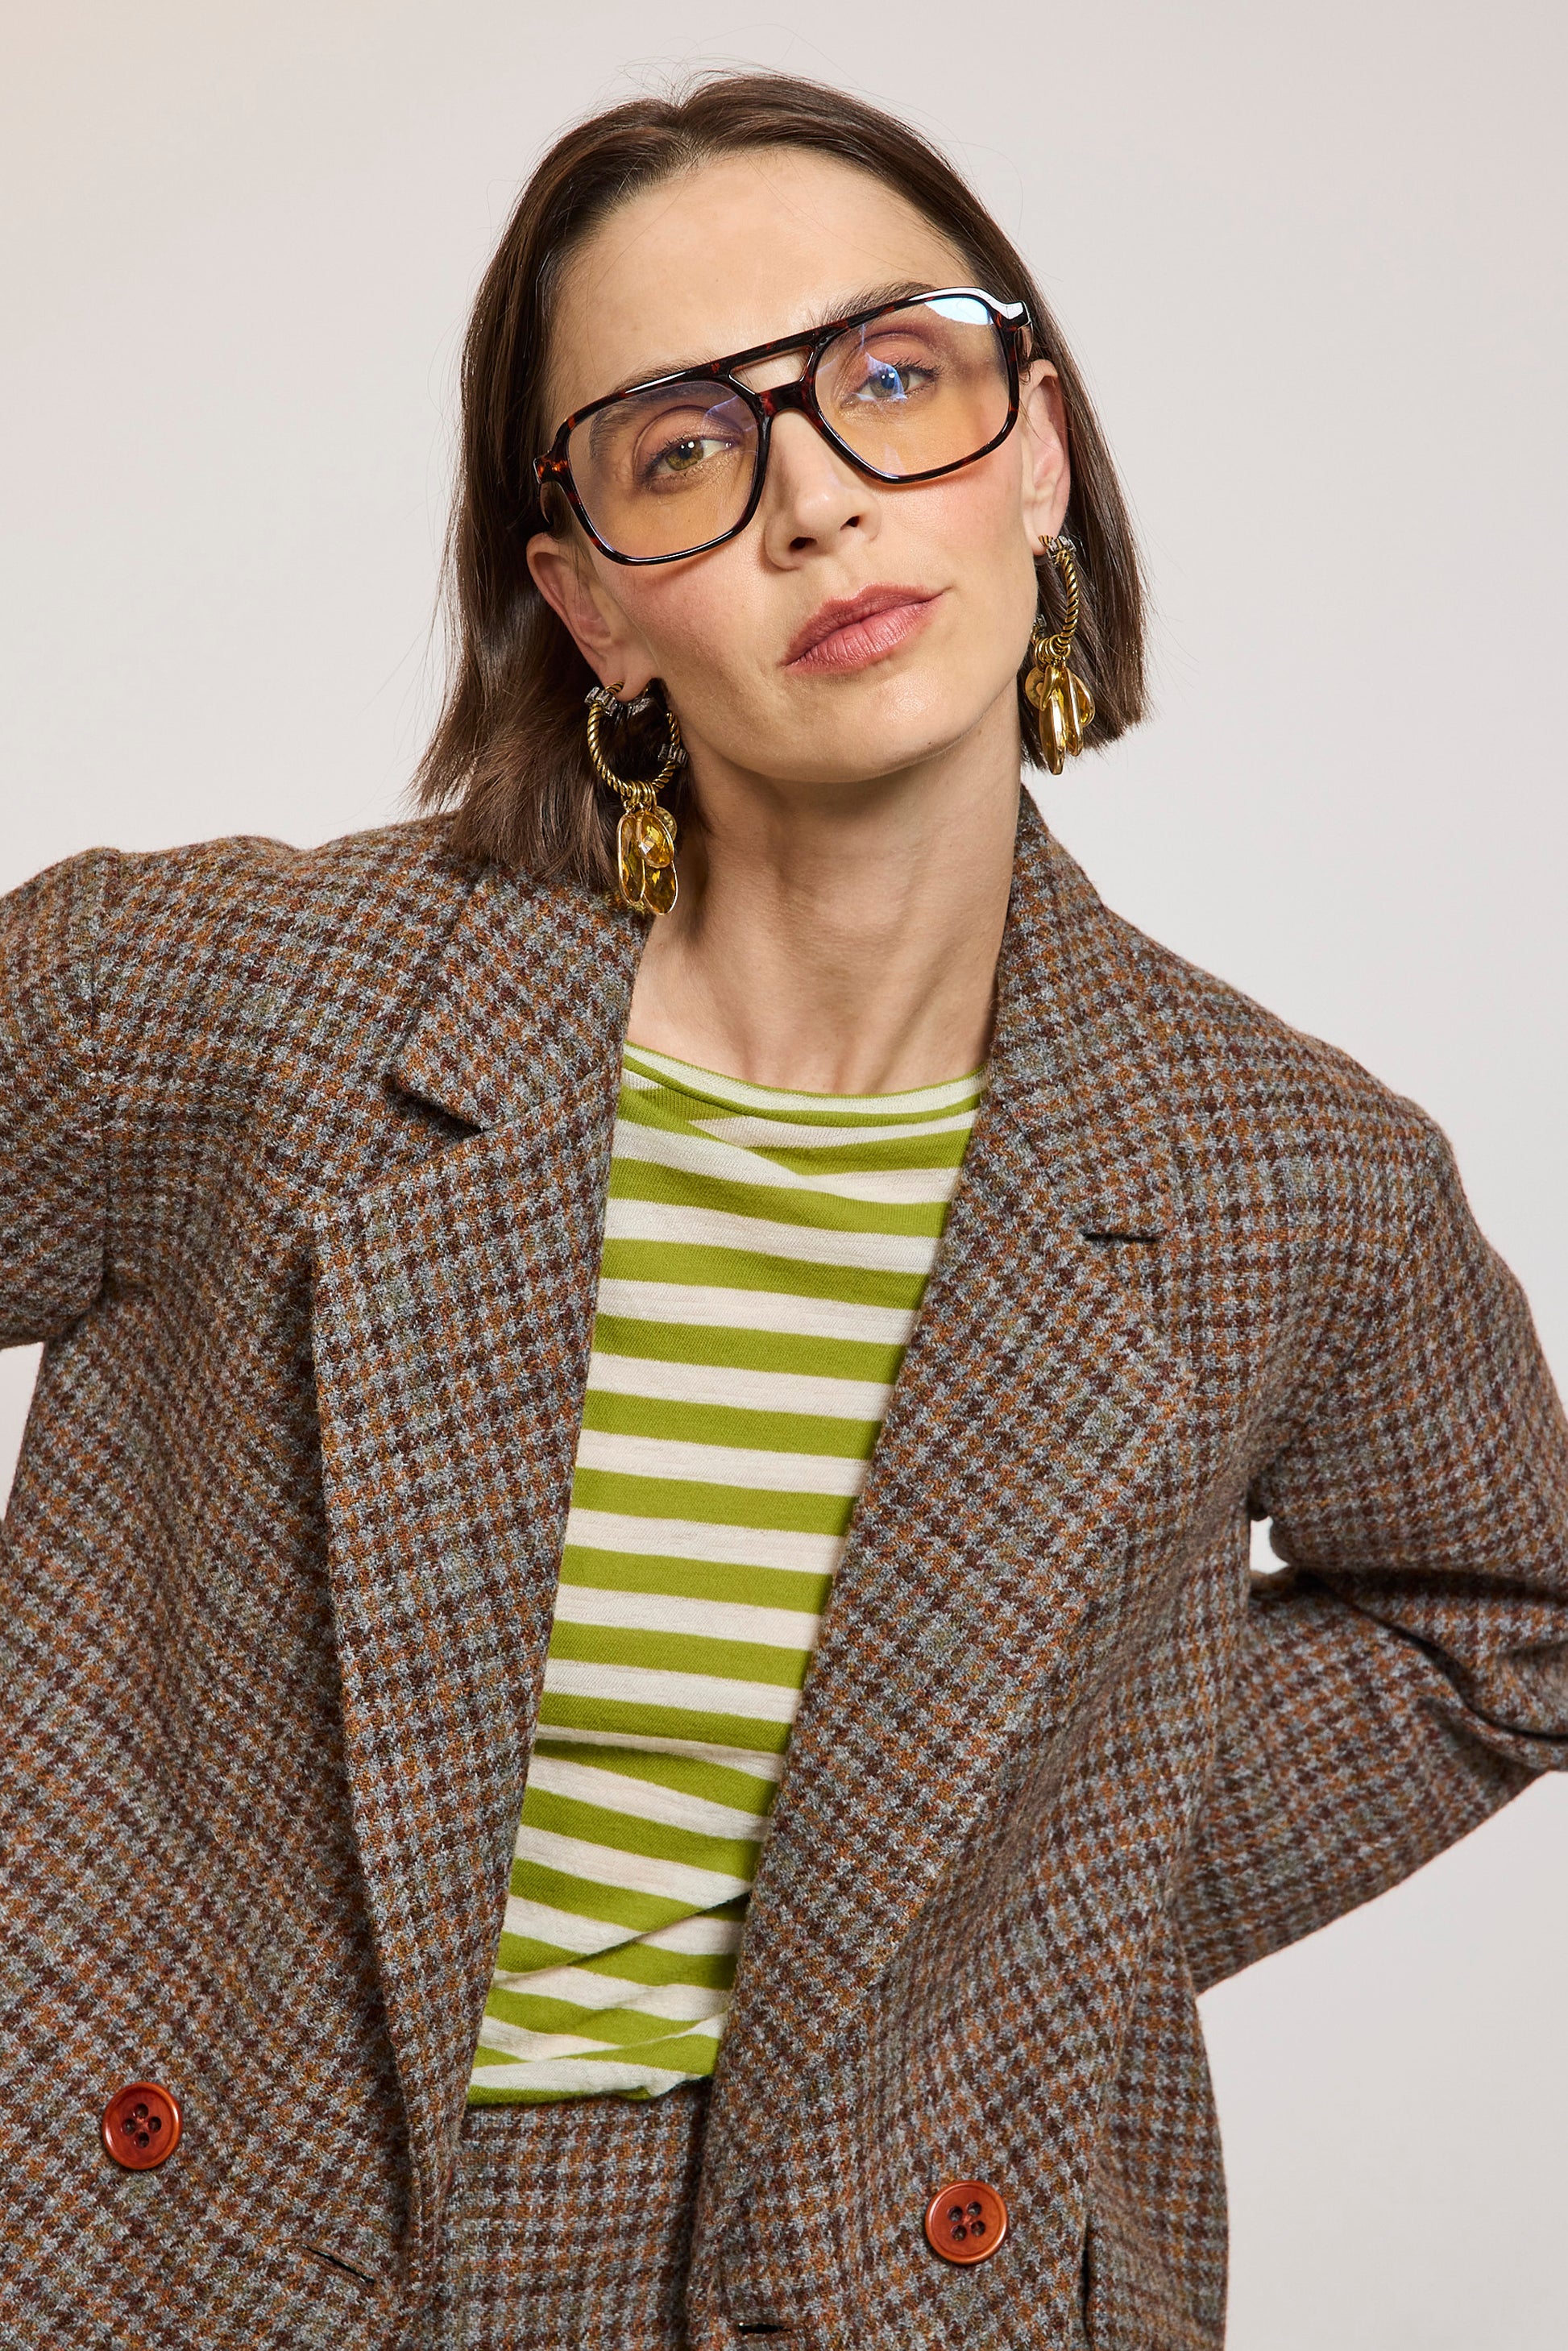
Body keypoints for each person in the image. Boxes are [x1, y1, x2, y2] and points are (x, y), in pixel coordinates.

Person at [1, 68, 1563, 2351]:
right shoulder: (236, 1009)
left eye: (893, 379)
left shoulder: (1283, 1177)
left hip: (881, 2288)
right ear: (588, 608)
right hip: (200, 2255)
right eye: (681, 451)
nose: (819, 499)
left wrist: (1030, 1905)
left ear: (1039, 449)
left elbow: (1510, 1616)